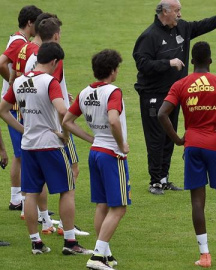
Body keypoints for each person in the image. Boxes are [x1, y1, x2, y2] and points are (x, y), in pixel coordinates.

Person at [133, 0, 216, 195]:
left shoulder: (181, 28)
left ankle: (164, 178)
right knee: (156, 138)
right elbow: (142, 64)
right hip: (154, 94)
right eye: (177, 11)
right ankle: (155, 181)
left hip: (174, 95)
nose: (180, 14)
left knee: (169, 134)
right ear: (165, 12)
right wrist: (168, 63)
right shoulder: (149, 36)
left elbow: (204, 25)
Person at [158, 41, 216, 267]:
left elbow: (162, 114)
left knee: (197, 201)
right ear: (210, 60)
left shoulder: (181, 84)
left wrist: (178, 139)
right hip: (214, 145)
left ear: (191, 62)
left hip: (192, 146)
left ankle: (204, 255)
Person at [0, 42, 90, 255]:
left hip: (29, 146)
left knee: (31, 193)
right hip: (50, 144)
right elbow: (62, 110)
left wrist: (23, 129)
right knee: (67, 191)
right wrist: (65, 134)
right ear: (54, 62)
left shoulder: (19, 81)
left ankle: (36, 243)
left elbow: (3, 111)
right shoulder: (50, 82)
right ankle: (70, 242)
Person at [15, 14, 89, 236]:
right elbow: (57, 101)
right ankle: (68, 230)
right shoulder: (53, 58)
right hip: (53, 128)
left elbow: (17, 87)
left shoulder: (30, 57)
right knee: (69, 180)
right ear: (56, 35)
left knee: (32, 188)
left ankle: (43, 223)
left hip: (30, 130)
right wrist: (65, 131)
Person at [63, 49, 129, 269]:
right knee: (118, 207)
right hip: (111, 154)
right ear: (112, 71)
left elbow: (67, 121)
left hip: (96, 152)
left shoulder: (84, 92)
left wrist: (91, 138)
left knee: (102, 204)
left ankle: (106, 255)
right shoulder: (113, 92)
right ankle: (98, 256)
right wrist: (122, 145)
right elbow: (113, 120)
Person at [0, 5, 42, 212]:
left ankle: (18, 198)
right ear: (30, 23)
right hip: (16, 105)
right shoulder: (19, 43)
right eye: (38, 24)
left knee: (19, 154)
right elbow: (1, 62)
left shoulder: (18, 40)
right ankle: (23, 201)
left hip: (16, 102)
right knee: (23, 153)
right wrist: (11, 82)